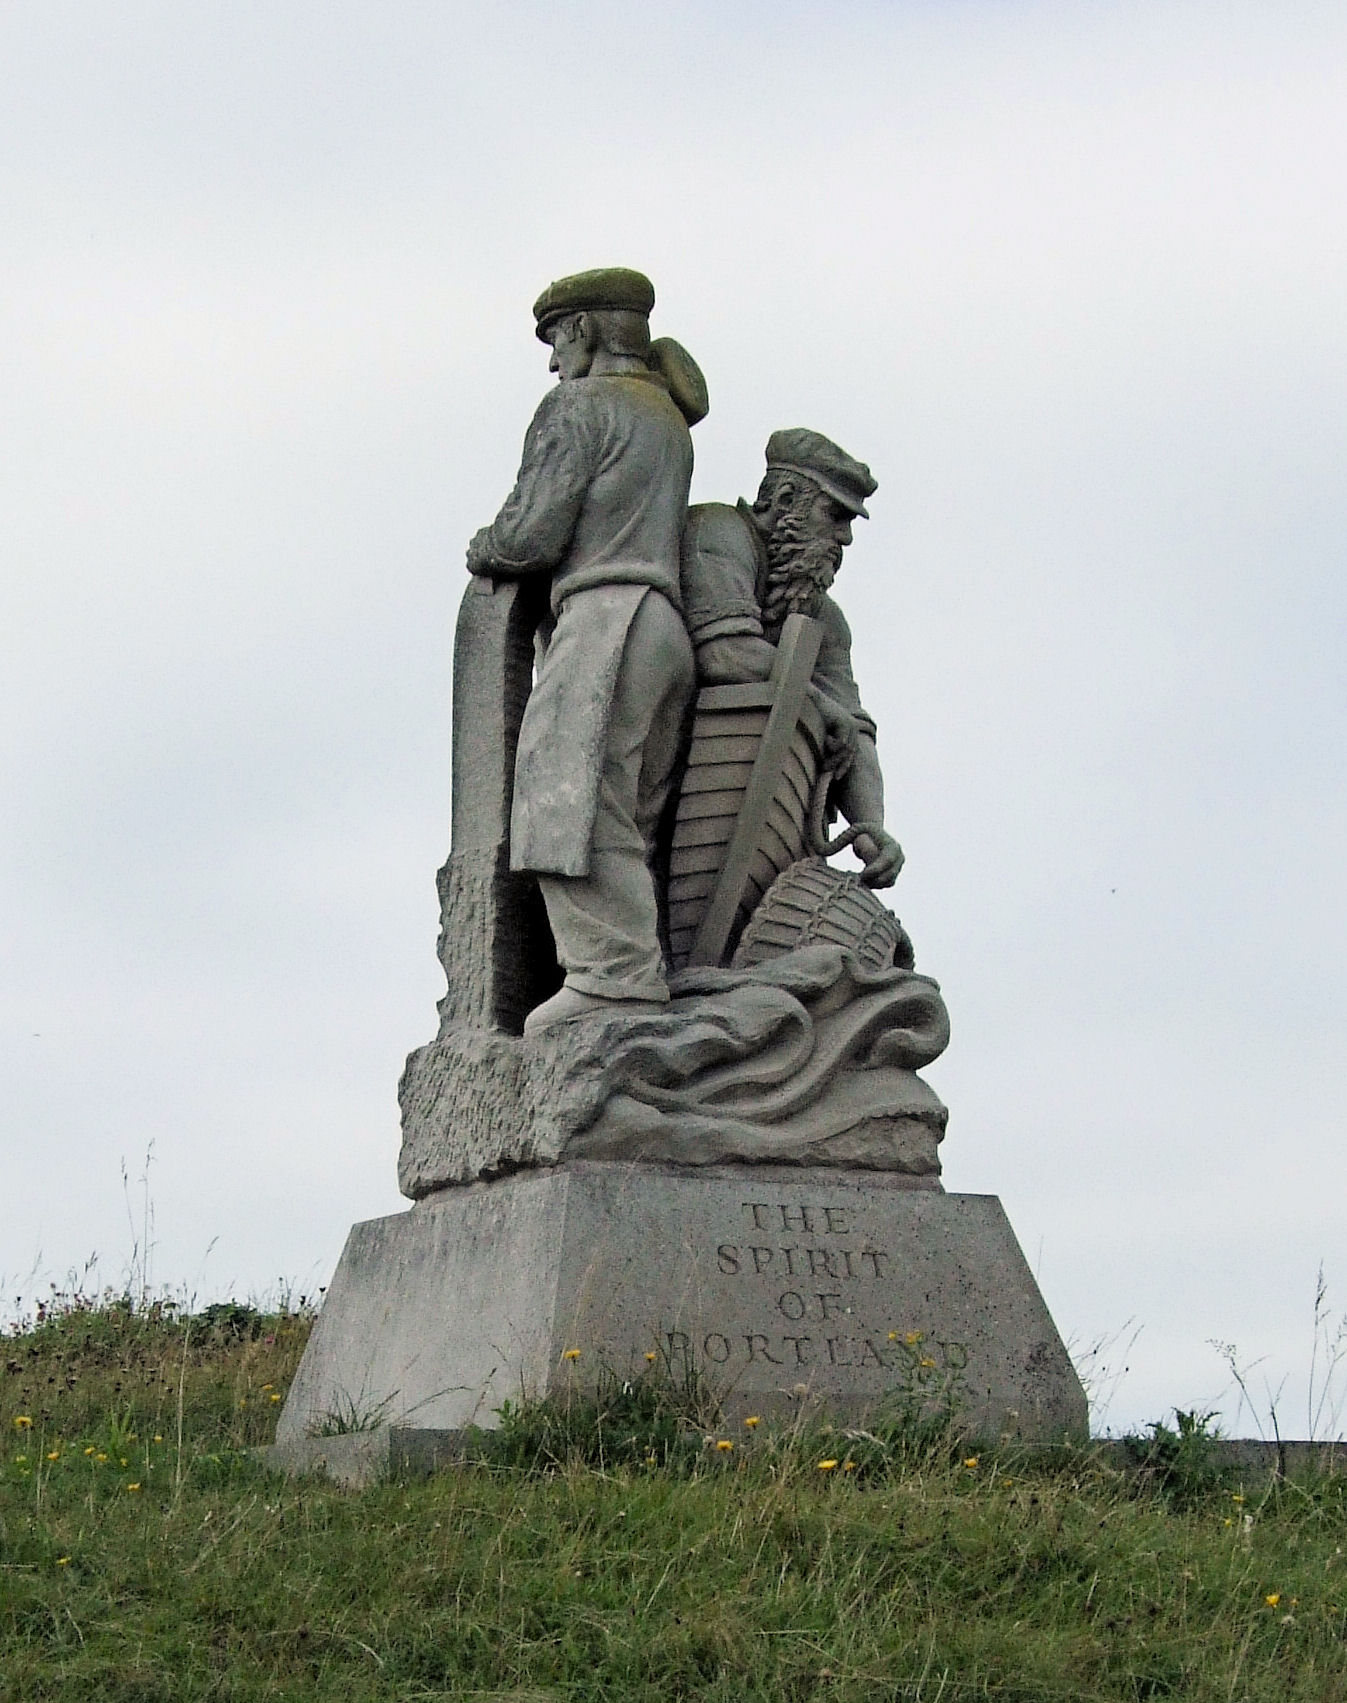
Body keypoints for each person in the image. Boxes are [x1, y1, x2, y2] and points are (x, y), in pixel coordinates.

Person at [465, 268, 698, 1032]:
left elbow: (531, 531)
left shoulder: (579, 406)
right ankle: (626, 969)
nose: (552, 359)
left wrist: (484, 545)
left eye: (557, 337)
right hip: (663, 626)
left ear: (587, 330)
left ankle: (612, 977)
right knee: (626, 807)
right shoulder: (663, 414)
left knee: (566, 798)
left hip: (603, 619)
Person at [679, 428, 904, 888]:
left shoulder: (824, 618)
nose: (844, 538)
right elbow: (724, 653)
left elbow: (855, 726)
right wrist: (820, 707)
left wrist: (870, 826)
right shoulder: (717, 532)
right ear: (784, 500)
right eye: (834, 515)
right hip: (675, 772)